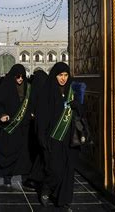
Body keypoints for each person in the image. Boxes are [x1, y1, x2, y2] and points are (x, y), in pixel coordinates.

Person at [37, 62, 84, 211]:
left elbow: (80, 114)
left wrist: (78, 106)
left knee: (68, 170)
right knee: (55, 169)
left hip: (69, 138)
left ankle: (64, 199)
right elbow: (41, 117)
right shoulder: (47, 92)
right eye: (60, 75)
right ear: (54, 75)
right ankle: (46, 188)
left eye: (65, 75)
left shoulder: (72, 91)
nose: (63, 78)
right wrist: (42, 137)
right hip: (53, 137)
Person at [0, 64, 34, 187]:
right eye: (17, 77)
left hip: (24, 126)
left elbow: (32, 102)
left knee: (25, 153)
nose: (20, 79)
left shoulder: (28, 87)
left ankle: (25, 177)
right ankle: (7, 177)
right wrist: (1, 114)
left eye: (22, 77)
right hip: (10, 126)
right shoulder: (6, 87)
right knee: (9, 152)